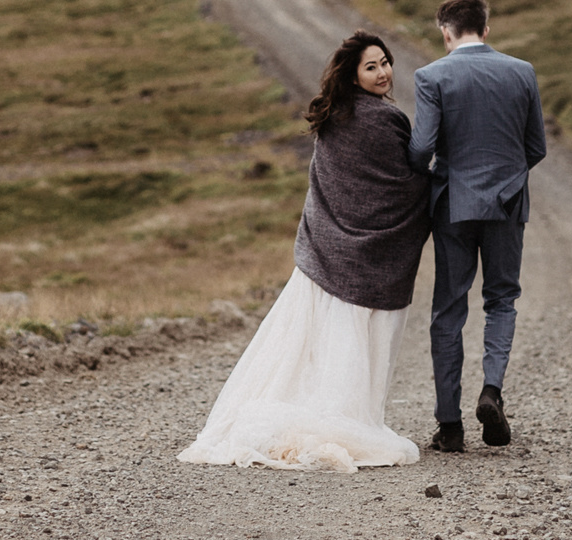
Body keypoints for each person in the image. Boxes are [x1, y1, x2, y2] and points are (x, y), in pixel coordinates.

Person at [177, 32, 430, 471]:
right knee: (349, 344)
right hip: (358, 258)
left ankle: (327, 413)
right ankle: (345, 420)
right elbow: (397, 186)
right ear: (352, 74)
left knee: (315, 343)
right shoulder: (384, 121)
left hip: (326, 252)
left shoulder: (335, 116)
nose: (384, 72)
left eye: (386, 62)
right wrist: (435, 181)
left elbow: (337, 187)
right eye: (371, 67)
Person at [408, 0, 545, 454]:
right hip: (507, 205)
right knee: (502, 300)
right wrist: (506, 178)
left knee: (448, 309)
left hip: (452, 206)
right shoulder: (521, 71)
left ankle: (450, 425)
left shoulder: (431, 76)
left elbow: (421, 147)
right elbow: (536, 147)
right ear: (486, 29)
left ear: (445, 32)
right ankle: (492, 391)